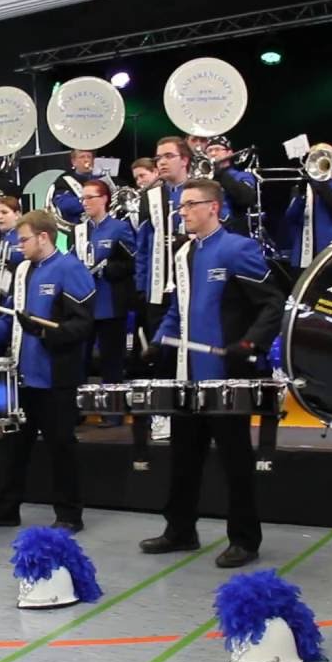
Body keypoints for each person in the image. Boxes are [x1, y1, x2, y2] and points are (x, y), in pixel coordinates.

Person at [139, 178, 284, 568]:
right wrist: (158, 340)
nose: (181, 212)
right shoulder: (183, 254)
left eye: (189, 205)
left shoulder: (238, 249)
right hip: (188, 378)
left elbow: (273, 304)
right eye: (180, 206)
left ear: (213, 208)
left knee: (235, 461)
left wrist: (250, 344)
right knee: (183, 457)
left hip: (225, 378)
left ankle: (245, 539)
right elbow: (177, 309)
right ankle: (180, 530)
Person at [0, 210, 95, 532]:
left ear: (44, 237)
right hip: (23, 376)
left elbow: (82, 325)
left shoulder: (71, 269)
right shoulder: (23, 270)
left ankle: (69, 515)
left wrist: (43, 333)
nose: (18, 245)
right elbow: (13, 318)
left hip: (56, 378)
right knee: (14, 449)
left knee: (61, 448)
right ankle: (6, 509)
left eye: (23, 239)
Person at [130, 137, 192, 462]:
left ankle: (194, 409)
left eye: (168, 156)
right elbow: (143, 244)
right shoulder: (149, 197)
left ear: (185, 159)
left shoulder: (199, 189)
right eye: (158, 158)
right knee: (160, 350)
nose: (162, 163)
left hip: (193, 286)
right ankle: (163, 413)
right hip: (157, 287)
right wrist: (142, 285)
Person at [73, 179, 137, 428]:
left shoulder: (119, 228)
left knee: (112, 362)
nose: (85, 202)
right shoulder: (80, 230)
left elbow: (132, 262)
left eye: (90, 197)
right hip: (83, 305)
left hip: (110, 304)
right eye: (83, 198)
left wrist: (109, 269)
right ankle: (78, 410)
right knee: (80, 360)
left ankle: (113, 412)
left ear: (104, 199)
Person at [283, 149, 332, 272]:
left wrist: (321, 184)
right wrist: (301, 194)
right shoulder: (302, 187)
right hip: (303, 256)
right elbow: (291, 217)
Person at [204, 136, 257, 235]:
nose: (213, 154)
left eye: (217, 149)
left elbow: (246, 199)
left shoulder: (242, 176)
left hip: (233, 232)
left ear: (229, 153)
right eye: (209, 151)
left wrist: (221, 174)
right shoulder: (203, 179)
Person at [49, 149, 98, 226]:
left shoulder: (100, 179)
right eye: (82, 157)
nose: (86, 160)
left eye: (89, 157)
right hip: (78, 227)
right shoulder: (64, 181)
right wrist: (94, 200)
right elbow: (65, 205)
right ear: (74, 162)